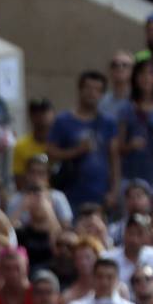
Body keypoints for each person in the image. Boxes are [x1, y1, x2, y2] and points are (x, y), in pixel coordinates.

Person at [47, 70, 121, 210]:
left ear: (102, 94)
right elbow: (51, 152)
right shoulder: (63, 121)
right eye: (88, 88)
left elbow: (114, 159)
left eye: (97, 90)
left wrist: (114, 192)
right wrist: (76, 151)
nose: (92, 93)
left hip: (100, 195)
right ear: (80, 90)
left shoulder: (108, 123)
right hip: (70, 194)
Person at [116, 58, 153, 195]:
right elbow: (118, 147)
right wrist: (130, 146)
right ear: (135, 78)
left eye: (151, 74)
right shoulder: (126, 108)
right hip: (131, 179)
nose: (146, 78)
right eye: (142, 74)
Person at [12, 98, 55, 186]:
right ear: (30, 116)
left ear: (53, 114)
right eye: (36, 112)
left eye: (44, 111)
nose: (41, 116)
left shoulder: (62, 143)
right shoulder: (21, 145)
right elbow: (18, 181)